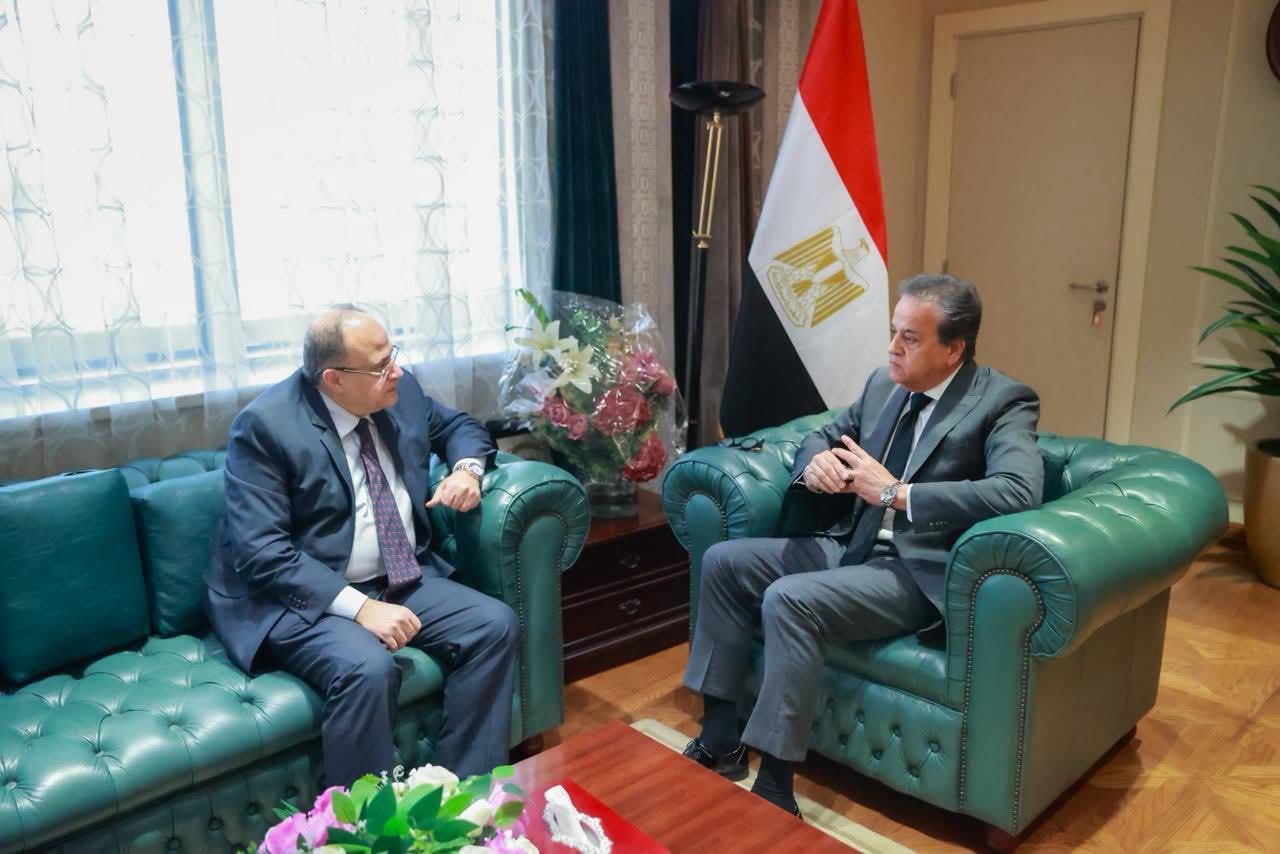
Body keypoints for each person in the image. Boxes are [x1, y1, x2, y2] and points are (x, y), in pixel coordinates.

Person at [681, 274, 1043, 815]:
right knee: (723, 563)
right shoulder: (883, 385)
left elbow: (1017, 490)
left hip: (914, 571)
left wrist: (898, 493)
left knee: (789, 598)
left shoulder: (1002, 401)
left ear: (954, 349)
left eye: (910, 338)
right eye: (893, 332)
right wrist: (816, 464)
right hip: (850, 541)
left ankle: (775, 789)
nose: (892, 348)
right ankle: (720, 739)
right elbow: (822, 436)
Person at [206, 305, 518, 787]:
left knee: (493, 625)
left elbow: (460, 427)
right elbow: (261, 551)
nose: (396, 371)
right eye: (379, 365)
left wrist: (467, 470)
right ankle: (366, 821)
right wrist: (360, 608)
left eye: (393, 354)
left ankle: (461, 795)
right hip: (300, 596)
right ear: (333, 379)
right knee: (367, 668)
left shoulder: (400, 392)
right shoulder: (266, 426)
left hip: (397, 575)